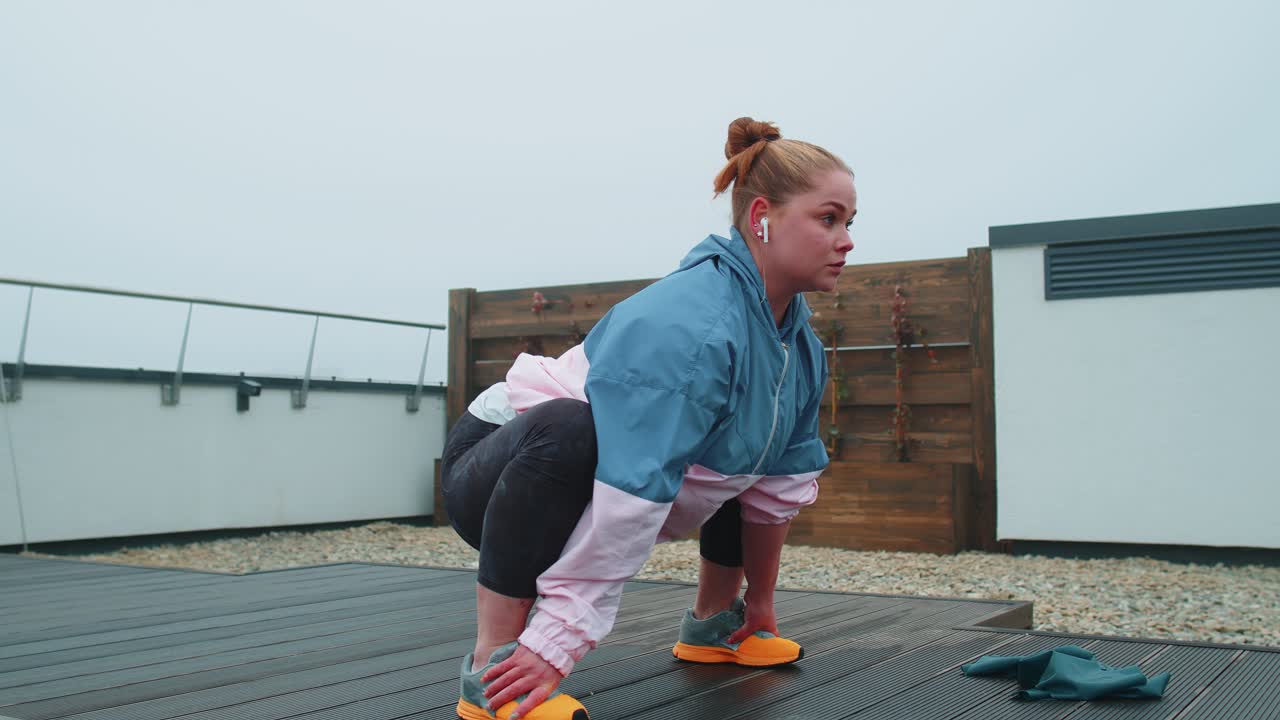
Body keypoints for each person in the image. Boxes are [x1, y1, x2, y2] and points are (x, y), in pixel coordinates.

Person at [440, 117, 856, 720]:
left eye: (849, 223)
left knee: (740, 450)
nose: (846, 240)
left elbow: (776, 487)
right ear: (761, 216)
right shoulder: (691, 326)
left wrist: (759, 606)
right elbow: (627, 498)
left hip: (601, 468)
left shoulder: (798, 349)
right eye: (829, 218)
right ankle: (494, 672)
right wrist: (554, 646)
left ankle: (717, 626)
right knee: (569, 428)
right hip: (499, 464)